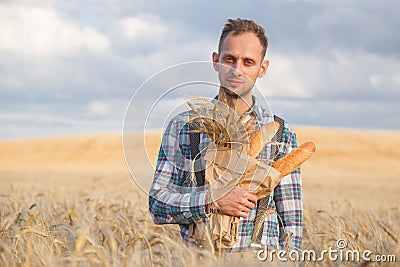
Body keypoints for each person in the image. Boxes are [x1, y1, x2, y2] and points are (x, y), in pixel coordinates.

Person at [148, 18, 302, 251]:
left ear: (262, 68)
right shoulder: (184, 127)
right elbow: (158, 204)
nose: (236, 70)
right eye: (230, 59)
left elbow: (291, 224)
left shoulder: (281, 133)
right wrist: (211, 200)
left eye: (248, 62)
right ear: (215, 60)